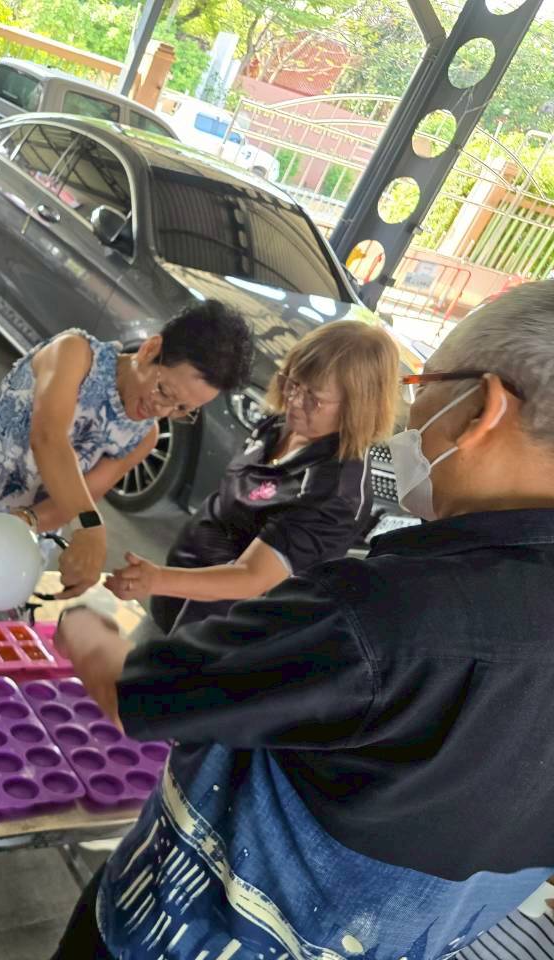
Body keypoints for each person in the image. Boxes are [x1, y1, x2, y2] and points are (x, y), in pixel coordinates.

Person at [51, 281, 554, 959]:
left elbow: (142, 691)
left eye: (426, 386)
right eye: (294, 383)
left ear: (482, 410)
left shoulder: (377, 609)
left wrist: (83, 624)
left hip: (190, 936)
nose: (296, 400)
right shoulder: (284, 443)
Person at [0, 302, 253, 597]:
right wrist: (90, 527)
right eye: (164, 391)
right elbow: (48, 438)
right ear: (150, 350)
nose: (162, 411)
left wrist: (24, 524)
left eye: (182, 410)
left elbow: (76, 498)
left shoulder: (142, 437)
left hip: (26, 535)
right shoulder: (75, 354)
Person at [107, 320, 400, 632]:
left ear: (358, 407)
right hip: (176, 592)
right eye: (292, 383)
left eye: (314, 398)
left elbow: (252, 576)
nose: (294, 401)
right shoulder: (282, 425)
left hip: (216, 630)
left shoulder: (334, 491)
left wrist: (156, 579)